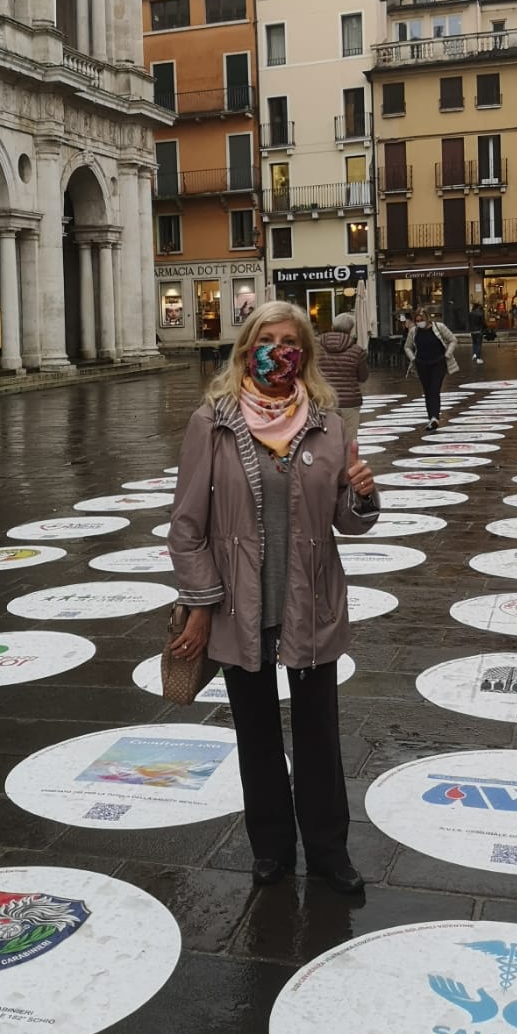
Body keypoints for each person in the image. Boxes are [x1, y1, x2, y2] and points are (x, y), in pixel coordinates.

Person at [168, 302, 380, 894]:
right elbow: (186, 525)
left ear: (306, 354)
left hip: (310, 601)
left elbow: (346, 520)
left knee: (319, 734)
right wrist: (203, 603)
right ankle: (271, 850)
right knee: (255, 734)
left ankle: (329, 852)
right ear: (246, 349)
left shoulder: (329, 424)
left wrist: (361, 495)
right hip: (239, 606)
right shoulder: (212, 421)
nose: (279, 351)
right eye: (267, 340)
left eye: (291, 342)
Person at [315, 312, 369, 443]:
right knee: (349, 441)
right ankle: (349, 464)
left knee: (327, 441)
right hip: (350, 402)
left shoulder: (316, 348)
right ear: (351, 329)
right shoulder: (357, 351)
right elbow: (363, 377)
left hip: (325, 401)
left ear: (333, 326)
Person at [405, 307, 458, 430]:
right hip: (422, 364)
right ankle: (431, 417)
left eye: (421, 320)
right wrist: (413, 359)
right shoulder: (413, 332)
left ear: (427, 318)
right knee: (427, 392)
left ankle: (435, 417)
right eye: (417, 320)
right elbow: (407, 346)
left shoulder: (439, 327)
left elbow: (452, 340)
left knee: (434, 389)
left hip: (438, 363)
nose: (419, 322)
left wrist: (447, 354)